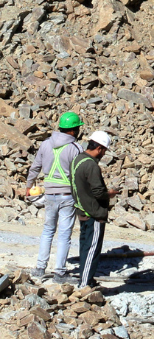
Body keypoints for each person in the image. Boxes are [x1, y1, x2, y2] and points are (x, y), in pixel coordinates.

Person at [25, 111, 85, 282]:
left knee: (48, 230)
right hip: (68, 196)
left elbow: (35, 167)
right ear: (73, 131)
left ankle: (40, 267)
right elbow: (80, 175)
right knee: (64, 234)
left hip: (50, 194)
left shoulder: (45, 144)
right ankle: (60, 272)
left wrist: (29, 186)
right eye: (78, 129)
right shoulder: (76, 148)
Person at [70, 131, 113, 289]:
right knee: (92, 250)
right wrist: (110, 194)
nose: (103, 154)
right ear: (100, 148)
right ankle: (84, 285)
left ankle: (85, 279)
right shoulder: (91, 165)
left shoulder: (77, 159)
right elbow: (98, 192)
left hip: (82, 210)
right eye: (104, 150)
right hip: (93, 213)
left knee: (85, 247)